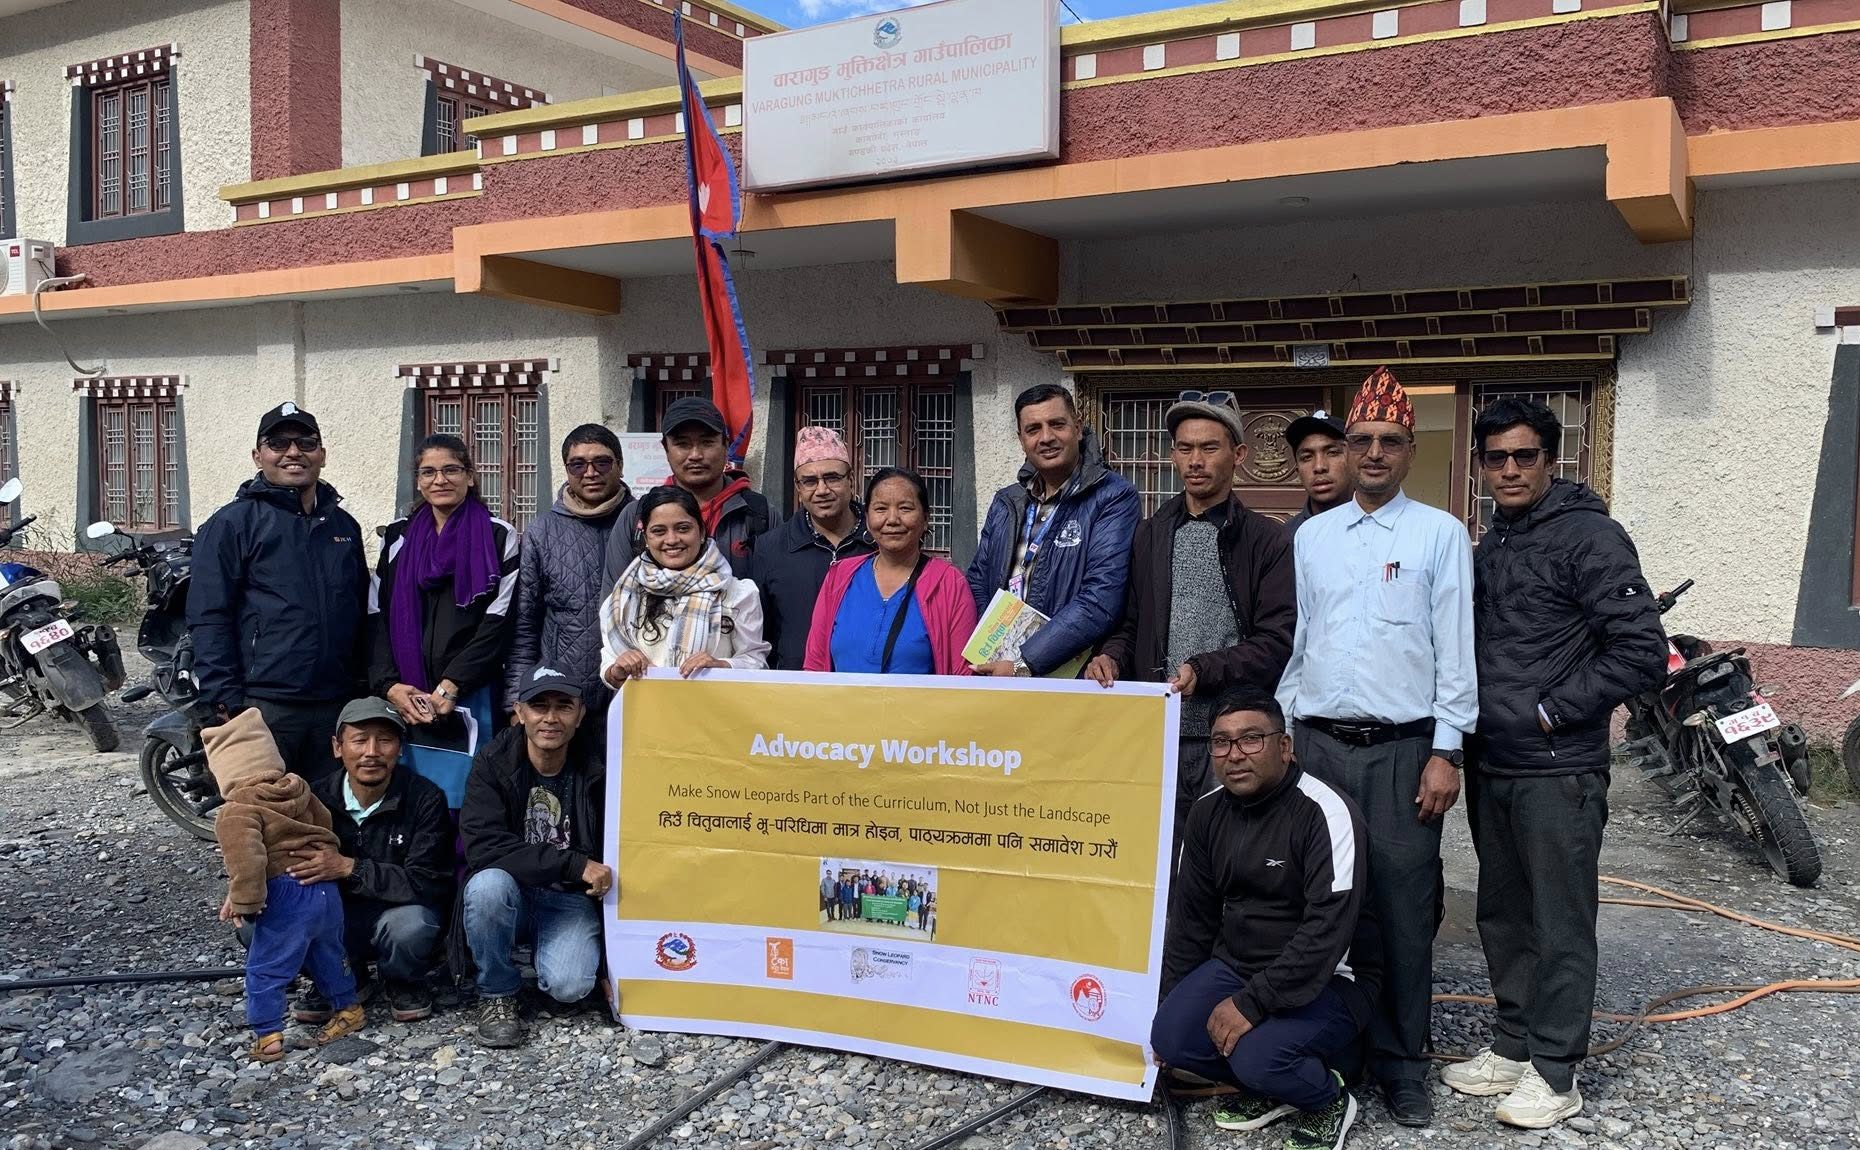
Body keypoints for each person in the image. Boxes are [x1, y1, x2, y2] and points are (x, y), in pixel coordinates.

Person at [1445, 398, 1666, 1129]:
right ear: (1480, 466)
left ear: (1551, 460)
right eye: (1496, 458)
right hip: (1494, 762)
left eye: (1524, 456)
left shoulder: (1591, 538)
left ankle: (1556, 1069)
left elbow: (1641, 652)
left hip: (1557, 766)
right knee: (1502, 913)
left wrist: (1554, 709)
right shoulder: (1494, 541)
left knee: (1560, 920)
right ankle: (1512, 1045)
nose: (1509, 469)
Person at [1274, 366, 1476, 1128]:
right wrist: (1288, 725)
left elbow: (1455, 651)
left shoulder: (1439, 534)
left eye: (1391, 441)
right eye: (1362, 440)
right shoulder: (1315, 538)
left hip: (1401, 754)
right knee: (1323, 905)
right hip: (1320, 748)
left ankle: (1403, 1062)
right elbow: (1301, 644)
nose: (1374, 453)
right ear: (1347, 447)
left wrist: (1445, 751)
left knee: (1400, 907)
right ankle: (1335, 1051)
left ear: (1410, 449)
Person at [1151, 691, 1378, 1150]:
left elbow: (1325, 935)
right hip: (1237, 965)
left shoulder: (1325, 813)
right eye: (1221, 743)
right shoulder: (1206, 812)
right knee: (1171, 1038)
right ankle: (1276, 1086)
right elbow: (1190, 920)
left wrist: (1251, 1005)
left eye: (1251, 739)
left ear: (1285, 746)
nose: (1235, 755)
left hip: (1332, 976)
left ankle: (1326, 1095)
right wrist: (1172, 1003)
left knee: (1258, 1057)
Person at [1086, 395, 1296, 842]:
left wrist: (1204, 669)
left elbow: (1277, 640)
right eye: (1184, 448)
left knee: (1229, 857)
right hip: (1157, 731)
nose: (1194, 461)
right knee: (1159, 861)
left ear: (1238, 455)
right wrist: (1110, 657)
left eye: (1209, 448)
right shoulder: (1151, 533)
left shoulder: (1264, 539)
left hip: (1231, 737)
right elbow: (1130, 622)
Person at [189, 403, 369, 776]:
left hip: (336, 702)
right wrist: (224, 702)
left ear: (322, 454)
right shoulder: (232, 524)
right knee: (273, 819)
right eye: (278, 443)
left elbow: (360, 610)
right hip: (265, 704)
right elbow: (209, 617)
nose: (293, 452)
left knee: (331, 820)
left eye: (306, 442)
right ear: (258, 456)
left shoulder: (344, 527)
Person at [459, 667, 612, 1048]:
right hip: (513, 889)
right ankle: (497, 994)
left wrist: (614, 967)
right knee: (487, 885)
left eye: (564, 706)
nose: (550, 718)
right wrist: (574, 864)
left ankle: (544, 959)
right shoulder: (493, 762)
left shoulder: (600, 765)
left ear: (580, 715)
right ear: (519, 711)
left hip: (569, 897)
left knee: (571, 988)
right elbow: (485, 848)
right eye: (539, 706)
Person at [205, 709, 366, 1061]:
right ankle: (348, 1008)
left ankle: (268, 1035)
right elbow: (326, 826)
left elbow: (246, 859)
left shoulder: (237, 809)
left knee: (267, 964)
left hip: (286, 889)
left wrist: (245, 902)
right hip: (324, 888)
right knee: (328, 952)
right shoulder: (299, 789)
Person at [369, 434, 521, 808]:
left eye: (451, 470)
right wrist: (390, 685)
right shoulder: (398, 538)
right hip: (408, 693)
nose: (440, 480)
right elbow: (377, 614)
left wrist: (453, 684)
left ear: (470, 476)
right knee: (411, 795)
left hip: (471, 691)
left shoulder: (498, 535)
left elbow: (499, 619)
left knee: (470, 794)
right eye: (429, 472)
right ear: (418, 481)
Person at [293, 698, 456, 1025]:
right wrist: (249, 890)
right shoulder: (312, 800)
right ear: (338, 748)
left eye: (385, 739)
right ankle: (341, 975)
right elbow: (289, 865)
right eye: (359, 740)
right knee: (261, 922)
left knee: (414, 925)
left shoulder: (425, 798)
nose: (372, 751)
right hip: (335, 917)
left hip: (394, 915)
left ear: (400, 748)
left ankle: (404, 979)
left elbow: (428, 883)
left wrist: (349, 867)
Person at [966, 384, 1140, 677]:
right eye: (1033, 429)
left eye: (1057, 424)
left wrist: (1025, 663)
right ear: (1021, 439)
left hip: (1068, 673)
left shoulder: (1113, 496)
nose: (1046, 437)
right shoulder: (1007, 501)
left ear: (1078, 428)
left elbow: (1100, 598)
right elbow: (978, 580)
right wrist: (991, 649)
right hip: (998, 668)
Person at [805, 468, 978, 676]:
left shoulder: (949, 583)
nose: (893, 519)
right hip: (841, 708)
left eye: (905, 508)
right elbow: (814, 665)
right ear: (867, 517)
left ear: (925, 518)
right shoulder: (840, 576)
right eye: (880, 509)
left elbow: (964, 676)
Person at [508, 425, 634, 702]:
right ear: (567, 470)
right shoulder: (542, 531)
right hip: (564, 695)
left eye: (602, 462)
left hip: (637, 689)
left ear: (620, 466)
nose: (590, 473)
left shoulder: (645, 523)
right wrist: (516, 700)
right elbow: (525, 624)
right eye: (578, 465)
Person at [600, 486, 770, 687]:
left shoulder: (737, 593)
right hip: (646, 715)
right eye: (658, 531)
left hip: (712, 713)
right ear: (646, 538)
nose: (671, 540)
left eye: (683, 528)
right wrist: (616, 671)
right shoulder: (623, 597)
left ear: (701, 532)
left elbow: (756, 663)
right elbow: (609, 663)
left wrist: (722, 666)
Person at [602, 397, 770, 593]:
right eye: (682, 444)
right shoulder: (635, 517)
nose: (696, 455)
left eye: (707, 443)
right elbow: (615, 605)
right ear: (665, 448)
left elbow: (776, 602)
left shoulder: (759, 514)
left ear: (726, 445)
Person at [756, 427, 875, 670]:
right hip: (796, 690)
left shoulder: (878, 541)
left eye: (832, 477)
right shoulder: (771, 548)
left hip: (866, 687)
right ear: (798, 488)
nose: (822, 490)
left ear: (851, 480)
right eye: (809, 481)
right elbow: (760, 637)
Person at [1283, 409, 1354, 535]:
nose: (1319, 466)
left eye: (1332, 453)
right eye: (1306, 457)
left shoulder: (1378, 527)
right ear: (1297, 469)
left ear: (1353, 460)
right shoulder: (1286, 538)